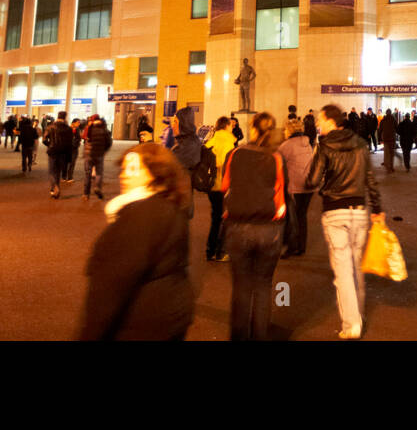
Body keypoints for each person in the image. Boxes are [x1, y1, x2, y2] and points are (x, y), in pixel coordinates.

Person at [75, 143, 195, 340]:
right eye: (123, 169)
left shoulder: (139, 218)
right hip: (170, 316)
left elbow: (111, 286)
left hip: (139, 323)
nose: (124, 175)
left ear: (154, 173)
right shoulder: (171, 208)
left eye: (133, 169)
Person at [307, 104, 384, 340]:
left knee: (343, 270)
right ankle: (357, 315)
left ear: (331, 121)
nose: (318, 124)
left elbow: (312, 180)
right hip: (359, 210)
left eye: (321, 119)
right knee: (356, 267)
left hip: (335, 212)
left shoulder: (325, 145)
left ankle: (351, 325)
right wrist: (377, 209)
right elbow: (370, 179)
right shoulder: (361, 144)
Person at [219, 112, 286, 341]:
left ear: (255, 130)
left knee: (241, 286)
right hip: (269, 228)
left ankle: (238, 336)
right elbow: (280, 194)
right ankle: (260, 335)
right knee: (264, 286)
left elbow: (224, 186)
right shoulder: (276, 157)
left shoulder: (235, 154)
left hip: (238, 226)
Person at [203, 117, 237, 262]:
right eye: (231, 125)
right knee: (224, 219)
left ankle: (210, 250)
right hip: (222, 185)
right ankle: (220, 252)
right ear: (227, 126)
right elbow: (225, 164)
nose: (233, 128)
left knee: (215, 218)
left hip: (210, 185)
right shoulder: (228, 142)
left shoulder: (211, 141)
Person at [279, 117, 314, 256]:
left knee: (292, 218)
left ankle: (292, 247)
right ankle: (301, 246)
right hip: (308, 185)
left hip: (295, 186)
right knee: (301, 216)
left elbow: (278, 162)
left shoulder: (287, 145)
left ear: (290, 130)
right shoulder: (307, 143)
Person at [81, 113, 112, 201]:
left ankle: (86, 194)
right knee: (98, 173)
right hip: (99, 154)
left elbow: (84, 137)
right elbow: (109, 143)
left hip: (89, 154)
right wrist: (104, 150)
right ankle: (97, 187)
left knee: (87, 174)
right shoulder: (104, 129)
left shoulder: (89, 128)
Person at [43, 112, 74, 199]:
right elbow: (70, 143)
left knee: (52, 171)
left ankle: (55, 186)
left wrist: (50, 145)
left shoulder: (51, 127)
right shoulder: (68, 128)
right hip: (63, 153)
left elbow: (44, 139)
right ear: (65, 117)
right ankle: (54, 189)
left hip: (53, 152)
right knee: (58, 171)